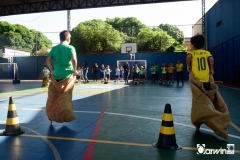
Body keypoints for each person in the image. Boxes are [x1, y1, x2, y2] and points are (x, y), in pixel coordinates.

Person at [186, 34, 230, 139]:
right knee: (209, 99)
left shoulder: (191, 53)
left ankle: (200, 121)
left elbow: (188, 57)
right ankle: (201, 121)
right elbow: (211, 59)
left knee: (199, 101)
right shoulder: (206, 53)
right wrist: (212, 69)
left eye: (190, 44)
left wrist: (188, 65)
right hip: (206, 80)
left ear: (193, 45)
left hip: (197, 80)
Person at [46, 30, 77, 123]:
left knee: (54, 96)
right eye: (70, 38)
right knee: (66, 97)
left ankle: (51, 115)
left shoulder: (54, 48)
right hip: (67, 76)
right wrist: (75, 70)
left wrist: (52, 71)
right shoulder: (70, 48)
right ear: (68, 38)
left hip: (56, 76)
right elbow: (74, 59)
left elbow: (48, 59)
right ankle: (65, 116)